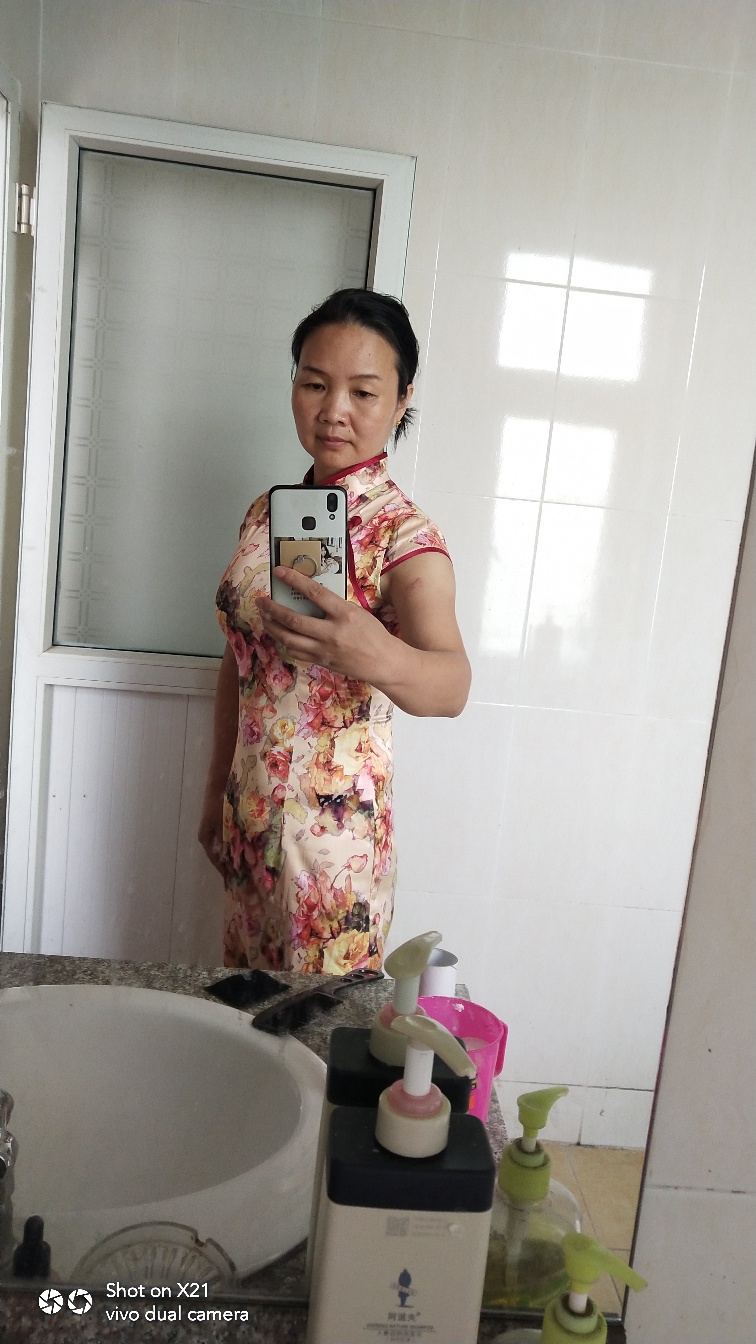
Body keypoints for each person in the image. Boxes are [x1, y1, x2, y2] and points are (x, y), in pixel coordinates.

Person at [198, 289, 470, 974]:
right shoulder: (267, 514)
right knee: (243, 1017)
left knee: (317, 1024)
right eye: (315, 384)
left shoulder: (405, 536)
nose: (333, 411)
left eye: (364, 392)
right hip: (249, 818)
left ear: (402, 401)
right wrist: (215, 791)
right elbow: (240, 659)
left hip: (332, 848)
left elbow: (451, 686)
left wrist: (372, 651)